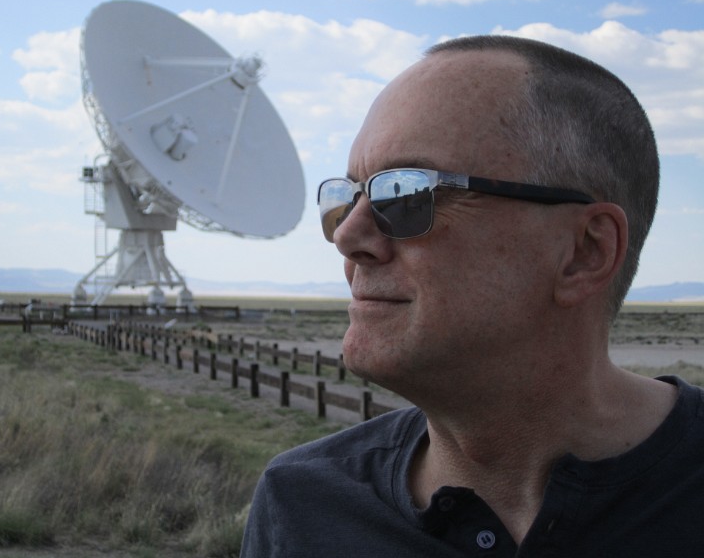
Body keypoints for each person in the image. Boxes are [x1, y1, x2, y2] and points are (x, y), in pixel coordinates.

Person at [240, 35, 704, 557]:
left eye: (408, 194)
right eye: (345, 199)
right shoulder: (303, 506)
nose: (348, 235)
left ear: (584, 252)